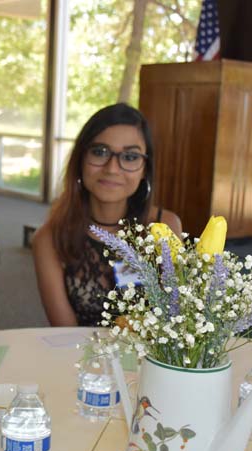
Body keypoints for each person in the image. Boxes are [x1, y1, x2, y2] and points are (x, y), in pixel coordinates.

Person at [33, 103, 182, 327]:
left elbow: (178, 318)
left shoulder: (165, 225)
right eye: (100, 152)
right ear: (81, 160)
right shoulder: (49, 239)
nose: (112, 168)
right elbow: (64, 334)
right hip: (79, 358)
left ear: (145, 170)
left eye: (130, 157)